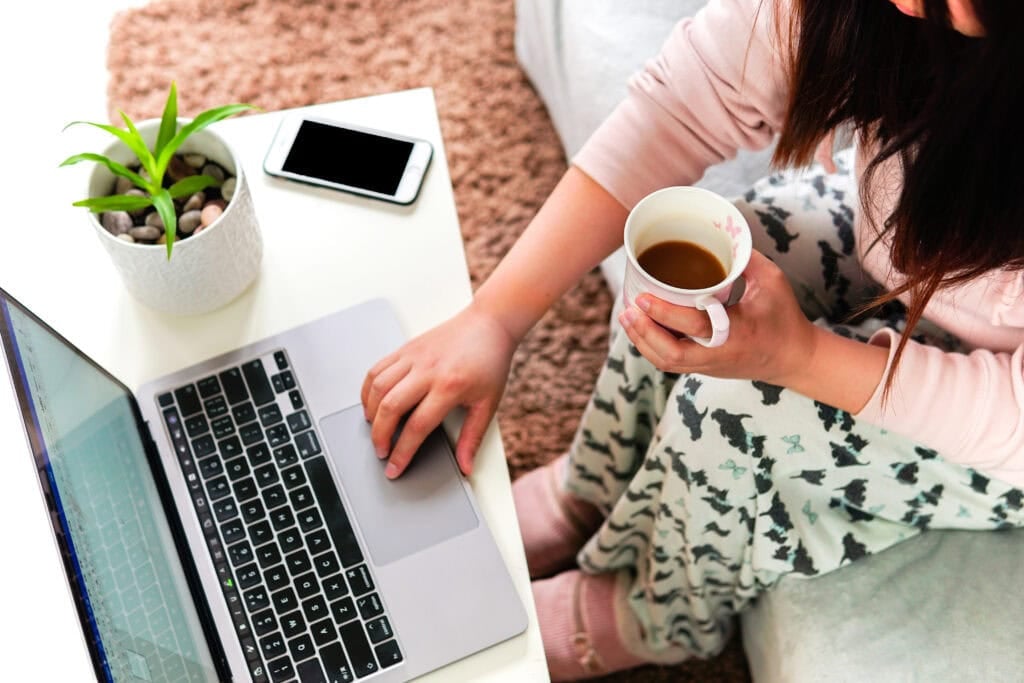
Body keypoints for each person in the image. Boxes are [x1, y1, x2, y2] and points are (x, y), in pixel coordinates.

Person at [361, 0, 1024, 679]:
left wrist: (800, 357)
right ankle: (592, 484)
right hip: (921, 255)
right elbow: (685, 99)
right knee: (700, 254)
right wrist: (493, 317)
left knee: (741, 407)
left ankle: (660, 617)